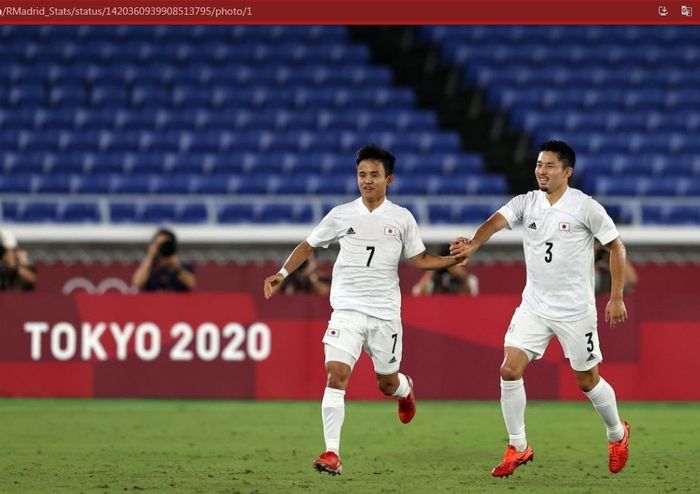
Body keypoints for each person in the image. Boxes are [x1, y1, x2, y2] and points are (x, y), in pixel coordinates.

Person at [263, 144, 465, 476]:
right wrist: (282, 273)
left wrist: (451, 260)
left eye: (374, 175)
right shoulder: (342, 214)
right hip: (347, 310)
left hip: (385, 315)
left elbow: (420, 259)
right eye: (361, 175)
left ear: (389, 179)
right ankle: (332, 453)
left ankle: (405, 389)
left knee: (385, 383)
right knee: (336, 374)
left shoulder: (401, 218)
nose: (367, 181)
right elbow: (308, 245)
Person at [450, 140, 631, 477]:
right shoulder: (527, 202)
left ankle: (617, 434)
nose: (541, 171)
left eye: (549, 166)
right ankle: (518, 447)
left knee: (587, 381)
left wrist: (616, 297)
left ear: (567, 171)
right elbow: (495, 221)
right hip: (534, 306)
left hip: (576, 310)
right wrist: (474, 242)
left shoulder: (585, 207)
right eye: (538, 165)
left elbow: (616, 248)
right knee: (509, 370)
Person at [132, 228, 196, 292]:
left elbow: (191, 284)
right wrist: (150, 256)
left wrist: (177, 266)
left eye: (164, 244)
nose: (161, 247)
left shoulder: (182, 264)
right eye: (158, 244)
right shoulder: (150, 265)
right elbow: (137, 283)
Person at [411, 244, 479, 296]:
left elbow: (470, 298)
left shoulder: (470, 279)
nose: (448, 266)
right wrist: (433, 268)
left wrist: (462, 277)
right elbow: (417, 294)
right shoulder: (433, 280)